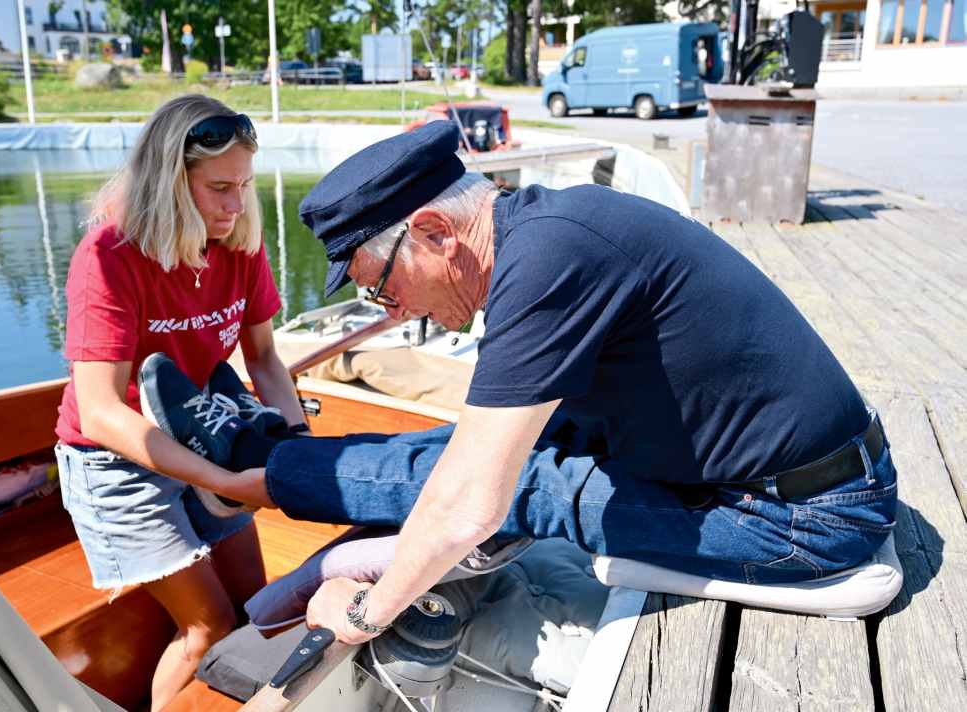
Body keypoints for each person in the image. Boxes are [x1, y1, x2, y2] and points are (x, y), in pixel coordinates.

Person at [144, 121, 897, 648]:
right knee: (460, 449)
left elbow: (474, 505)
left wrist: (366, 611)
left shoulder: (546, 266)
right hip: (770, 479)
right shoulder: (545, 229)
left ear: (435, 231)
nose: (392, 309)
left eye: (383, 285)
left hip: (801, 522)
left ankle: (247, 472)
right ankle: (257, 458)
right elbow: (470, 458)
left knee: (521, 486)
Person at [53, 94, 307, 710]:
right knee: (210, 628)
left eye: (244, 185)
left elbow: (265, 361)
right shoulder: (109, 258)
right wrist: (221, 479)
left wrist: (300, 455)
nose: (236, 204)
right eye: (219, 187)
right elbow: (102, 411)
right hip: (115, 463)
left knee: (259, 608)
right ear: (169, 181)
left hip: (205, 438)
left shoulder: (240, 243)